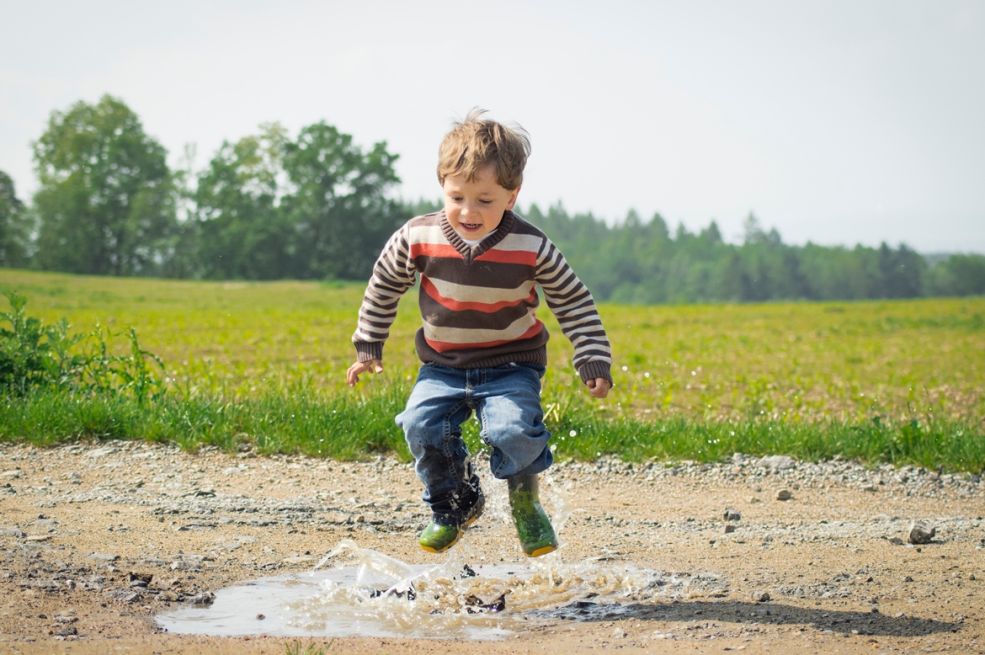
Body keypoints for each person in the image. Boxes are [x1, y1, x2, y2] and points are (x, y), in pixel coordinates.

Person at [347, 109, 612, 557]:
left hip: (512, 365)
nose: (469, 211)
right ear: (442, 186)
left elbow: (573, 300)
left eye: (485, 200)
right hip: (442, 365)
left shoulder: (532, 246)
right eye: (457, 197)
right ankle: (455, 504)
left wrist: (591, 357)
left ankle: (525, 500)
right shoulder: (418, 236)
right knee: (420, 426)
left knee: (511, 432)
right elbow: (384, 284)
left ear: (512, 195)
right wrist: (368, 344)